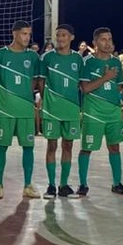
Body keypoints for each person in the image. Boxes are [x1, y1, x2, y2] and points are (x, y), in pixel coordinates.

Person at [78, 27, 123, 196]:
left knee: (114, 147)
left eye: (109, 39)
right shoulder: (87, 61)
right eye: (103, 39)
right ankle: (83, 184)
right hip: (93, 112)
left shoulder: (116, 62)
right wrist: (105, 78)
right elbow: (85, 88)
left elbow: (118, 86)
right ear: (94, 42)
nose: (107, 42)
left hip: (113, 112)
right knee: (87, 148)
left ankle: (117, 183)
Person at [0, 20, 40, 199]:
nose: (27, 37)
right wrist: (6, 99)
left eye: (29, 34)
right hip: (5, 110)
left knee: (28, 147)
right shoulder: (0, 55)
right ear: (14, 33)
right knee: (2, 146)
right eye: (24, 34)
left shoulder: (33, 57)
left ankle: (27, 185)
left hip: (25, 109)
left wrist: (22, 96)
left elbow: (34, 81)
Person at [38, 23, 82, 198]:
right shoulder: (47, 57)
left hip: (71, 109)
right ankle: (51, 185)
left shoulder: (78, 59)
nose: (60, 38)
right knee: (52, 145)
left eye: (64, 35)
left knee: (68, 145)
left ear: (71, 37)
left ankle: (64, 185)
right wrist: (49, 101)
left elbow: (80, 83)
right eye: (58, 35)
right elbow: (41, 82)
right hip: (52, 110)